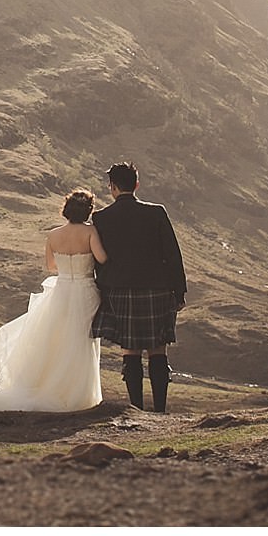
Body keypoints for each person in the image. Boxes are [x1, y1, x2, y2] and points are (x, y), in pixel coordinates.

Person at [0, 190, 107, 413]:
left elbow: (51, 266)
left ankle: (52, 387)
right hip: (84, 289)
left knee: (57, 338)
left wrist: (68, 266)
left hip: (62, 289)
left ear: (66, 209)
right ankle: (79, 395)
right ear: (88, 210)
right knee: (81, 339)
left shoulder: (53, 235)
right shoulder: (90, 232)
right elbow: (102, 258)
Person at [91, 161, 187, 412]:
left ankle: (136, 409)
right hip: (157, 288)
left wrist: (103, 291)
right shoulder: (156, 212)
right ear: (136, 184)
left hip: (121, 291)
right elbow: (172, 253)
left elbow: (99, 260)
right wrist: (179, 290)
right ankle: (160, 409)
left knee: (130, 350)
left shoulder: (101, 218)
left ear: (112, 187)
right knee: (158, 348)